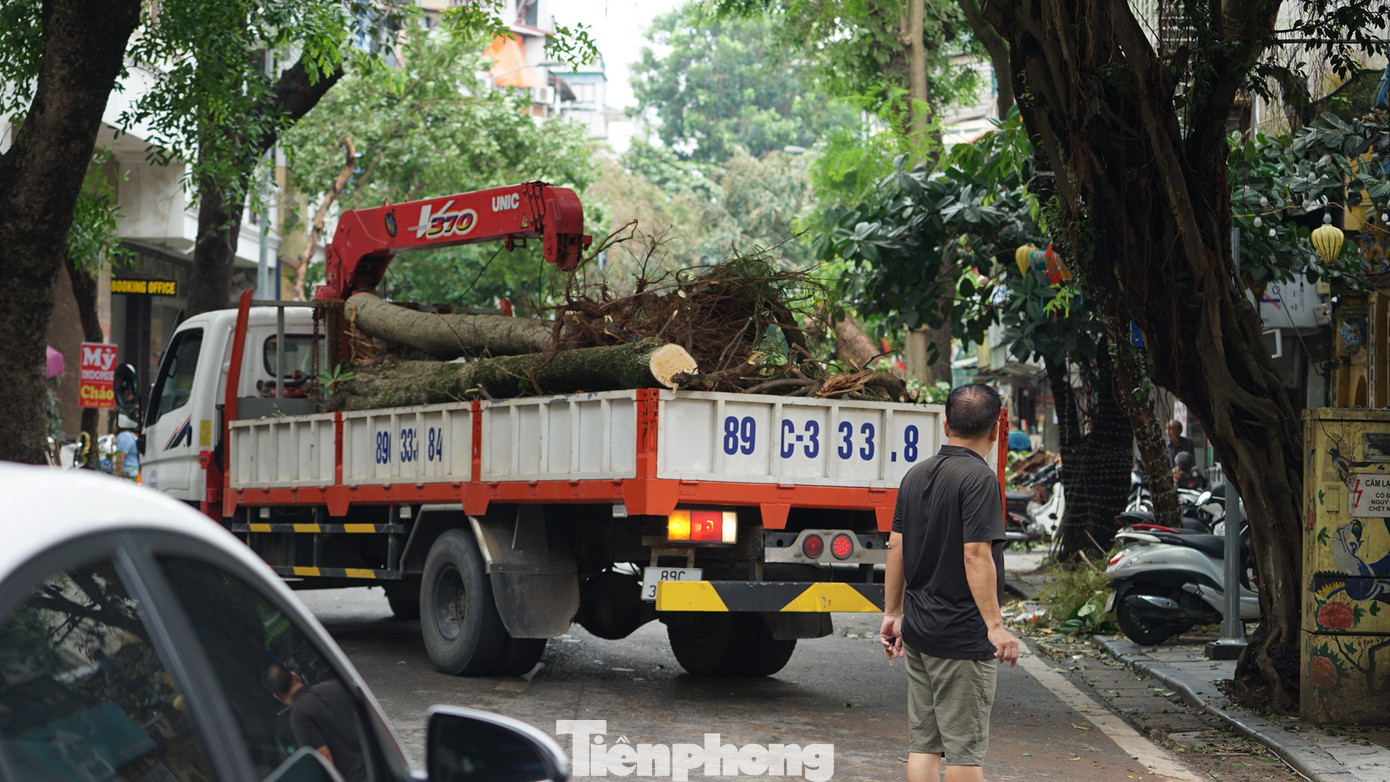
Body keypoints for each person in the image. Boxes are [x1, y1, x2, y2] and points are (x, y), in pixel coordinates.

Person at [880, 383, 1020, 782]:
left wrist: (893, 614)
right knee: (964, 751)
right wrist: (996, 627)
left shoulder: (915, 474)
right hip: (961, 636)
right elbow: (975, 555)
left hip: (920, 631)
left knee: (924, 745)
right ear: (995, 431)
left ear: (946, 426)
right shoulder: (979, 479)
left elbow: (895, 549)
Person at [264, 664, 367, 782]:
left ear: (277, 696)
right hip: (374, 765)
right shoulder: (334, 687)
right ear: (295, 675)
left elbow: (324, 757)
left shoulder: (299, 716)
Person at [112, 414, 140, 481]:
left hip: (128, 475)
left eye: (115, 424)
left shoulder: (124, 436)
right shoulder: (130, 435)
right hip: (133, 473)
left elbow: (120, 457)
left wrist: (118, 476)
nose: (113, 427)